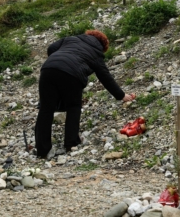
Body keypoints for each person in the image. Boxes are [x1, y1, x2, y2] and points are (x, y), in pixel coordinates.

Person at [34, 30, 134, 158]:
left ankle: (42, 151)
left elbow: (51, 48)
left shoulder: (70, 39)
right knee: (73, 106)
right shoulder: (96, 53)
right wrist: (121, 96)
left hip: (48, 68)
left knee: (46, 109)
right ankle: (71, 143)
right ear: (103, 46)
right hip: (72, 74)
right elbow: (106, 78)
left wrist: (58, 61)